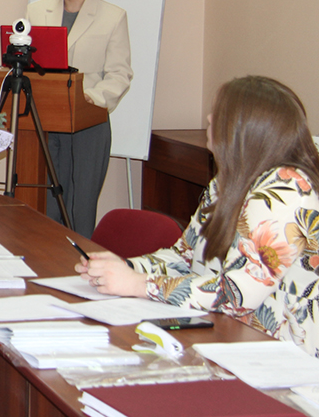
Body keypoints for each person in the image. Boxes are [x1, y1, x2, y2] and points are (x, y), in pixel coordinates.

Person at [78, 75, 319, 356]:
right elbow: (184, 257)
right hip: (230, 339)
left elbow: (236, 295)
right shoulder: (227, 182)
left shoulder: (288, 189)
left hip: (288, 362)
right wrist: (126, 267)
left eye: (219, 113)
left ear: (245, 129)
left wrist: (139, 284)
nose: (209, 118)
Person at [26, 0, 132, 238]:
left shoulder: (113, 16)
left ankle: (78, 261)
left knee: (80, 207)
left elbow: (120, 74)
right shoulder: (37, 11)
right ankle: (45, 259)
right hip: (46, 122)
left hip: (89, 122)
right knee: (44, 204)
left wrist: (88, 97)